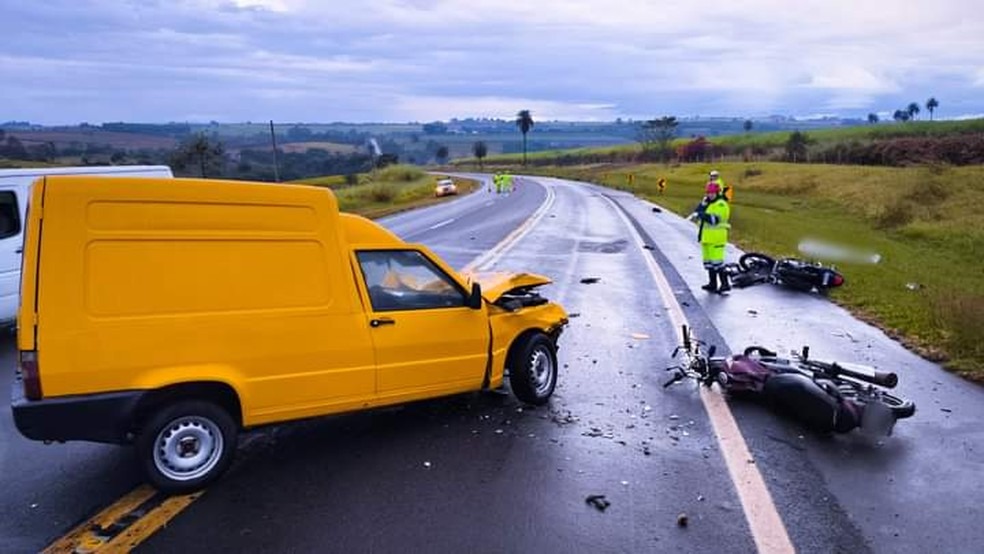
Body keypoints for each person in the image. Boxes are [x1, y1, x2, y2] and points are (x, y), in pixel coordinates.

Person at [689, 181, 731, 293]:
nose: (710, 195)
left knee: (718, 263)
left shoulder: (721, 204)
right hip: (707, 238)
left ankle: (725, 284)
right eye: (708, 193)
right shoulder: (709, 203)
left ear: (717, 193)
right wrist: (702, 205)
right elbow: (696, 213)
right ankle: (712, 283)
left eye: (712, 193)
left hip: (717, 238)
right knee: (709, 263)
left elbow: (713, 220)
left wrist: (700, 213)